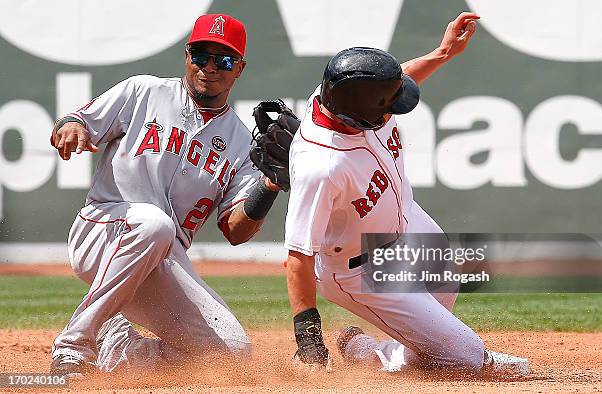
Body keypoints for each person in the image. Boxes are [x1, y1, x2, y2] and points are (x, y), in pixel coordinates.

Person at [284, 12, 529, 376]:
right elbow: (298, 255)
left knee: (445, 286)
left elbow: (386, 82)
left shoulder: (342, 97)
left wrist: (442, 54)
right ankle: (380, 351)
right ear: (362, 115)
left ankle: (370, 349)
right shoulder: (323, 167)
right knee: (464, 355)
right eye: (389, 106)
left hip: (407, 223)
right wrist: (307, 338)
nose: (395, 108)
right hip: (359, 267)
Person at [48, 13, 284, 376]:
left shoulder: (240, 142)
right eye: (200, 55)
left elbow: (236, 232)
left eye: (223, 60)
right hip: (103, 231)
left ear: (240, 68)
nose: (209, 67)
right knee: (155, 224)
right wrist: (71, 127)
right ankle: (74, 346)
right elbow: (77, 120)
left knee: (231, 354)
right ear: (186, 56)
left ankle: (122, 348)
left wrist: (269, 186)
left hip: (161, 260)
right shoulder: (143, 91)